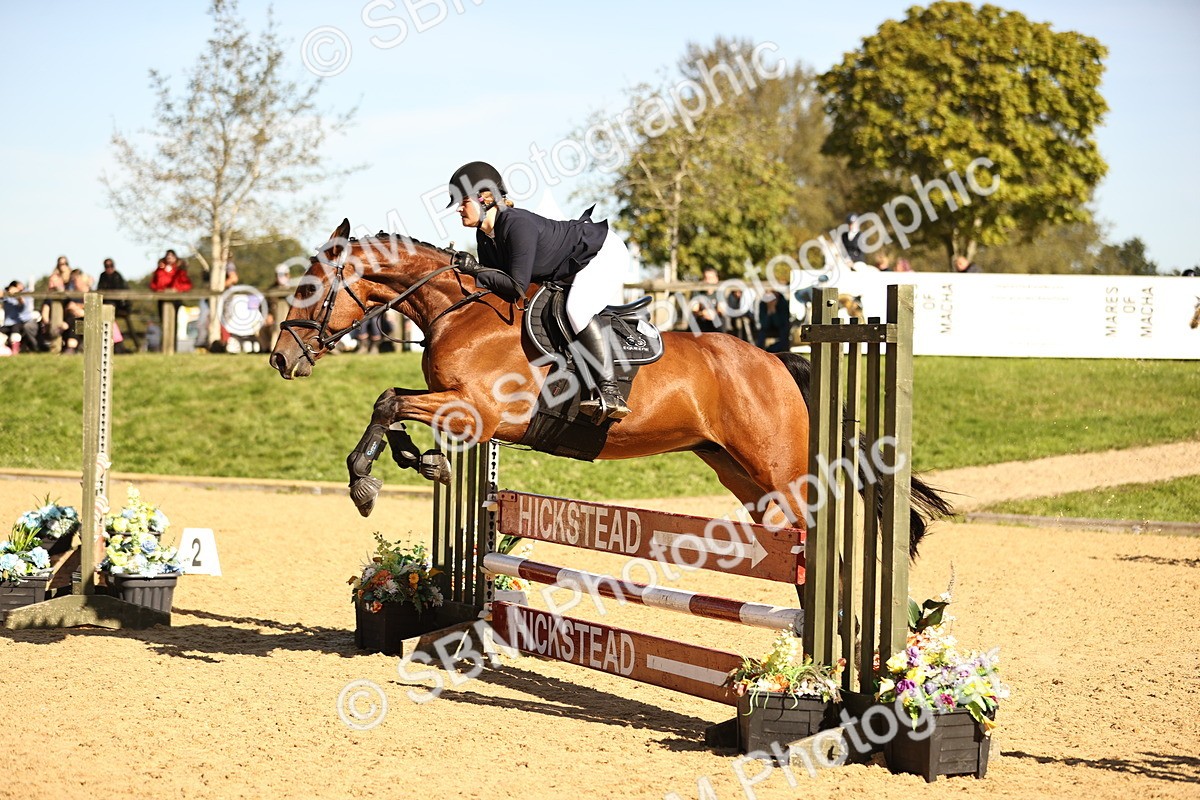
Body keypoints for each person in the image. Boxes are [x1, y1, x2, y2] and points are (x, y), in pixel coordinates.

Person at [446, 160, 631, 422]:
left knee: (576, 309)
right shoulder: (484, 236)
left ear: (485, 198)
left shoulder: (516, 224)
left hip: (601, 252)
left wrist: (475, 269)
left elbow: (515, 287)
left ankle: (610, 391)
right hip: (568, 267)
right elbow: (493, 284)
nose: (458, 209)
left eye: (463, 202)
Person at [2, 281, 40, 353]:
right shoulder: (6, 294)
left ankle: (15, 350)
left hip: (20, 322)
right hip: (7, 324)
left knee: (15, 331)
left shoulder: (26, 293)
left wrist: (17, 296)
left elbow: (22, 306)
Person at [689, 267, 727, 333]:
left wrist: (713, 314)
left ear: (716, 279)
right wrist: (702, 313)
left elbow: (721, 310)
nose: (708, 281)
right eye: (706, 278)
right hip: (701, 323)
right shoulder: (697, 291)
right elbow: (694, 310)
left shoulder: (720, 291)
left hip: (717, 324)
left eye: (711, 278)